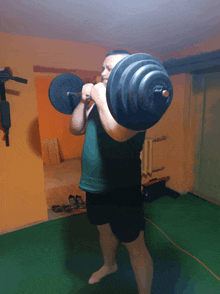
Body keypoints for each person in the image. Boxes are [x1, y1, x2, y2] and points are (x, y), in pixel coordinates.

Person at [69, 50, 154, 294]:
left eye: (111, 69)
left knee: (134, 244)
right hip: (94, 184)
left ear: (127, 72)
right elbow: (76, 129)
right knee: (103, 230)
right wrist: (84, 101)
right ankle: (109, 265)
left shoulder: (137, 102)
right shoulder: (97, 102)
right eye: (103, 68)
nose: (104, 73)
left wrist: (98, 96)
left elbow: (119, 134)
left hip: (122, 186)